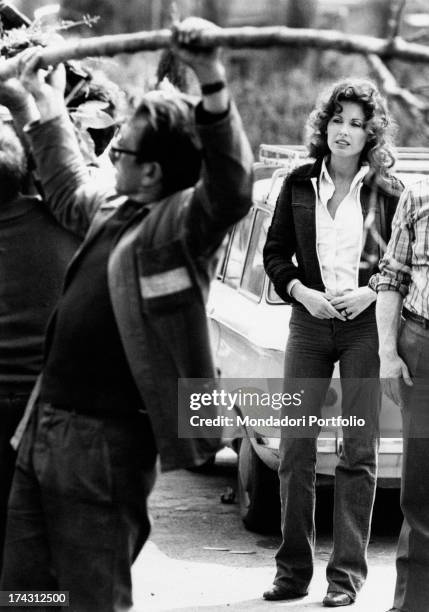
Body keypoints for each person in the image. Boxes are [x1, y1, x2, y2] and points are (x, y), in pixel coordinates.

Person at [0, 17, 253, 612]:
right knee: (26, 593)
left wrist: (211, 75)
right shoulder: (112, 209)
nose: (111, 154)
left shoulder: (182, 230)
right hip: (43, 428)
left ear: (154, 171)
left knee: (91, 598)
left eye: (124, 149)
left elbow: (234, 186)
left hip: (104, 446)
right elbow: (64, 181)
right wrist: (32, 99)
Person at [263, 79, 403, 607]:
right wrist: (303, 292)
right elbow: (275, 255)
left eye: (356, 123)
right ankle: (292, 572)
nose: (344, 131)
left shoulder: (391, 193)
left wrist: (370, 293)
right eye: (337, 120)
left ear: (372, 134)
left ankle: (345, 579)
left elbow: (401, 262)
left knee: (358, 451)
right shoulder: (298, 183)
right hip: (309, 323)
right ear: (325, 126)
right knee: (296, 448)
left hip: (366, 327)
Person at [0, 87, 80, 575]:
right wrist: (31, 108)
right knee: (39, 553)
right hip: (48, 418)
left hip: (38, 413)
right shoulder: (70, 229)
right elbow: (71, 178)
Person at [376, 177, 429, 612]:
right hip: (422, 347)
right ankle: (412, 604)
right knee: (421, 483)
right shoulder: (418, 195)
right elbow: (392, 277)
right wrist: (387, 354)